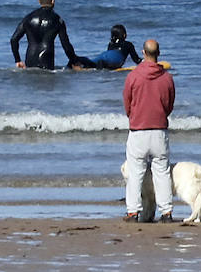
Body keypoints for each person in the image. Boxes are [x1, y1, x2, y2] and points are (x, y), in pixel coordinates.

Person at [122, 39, 176, 223]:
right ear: (158, 53)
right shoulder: (167, 78)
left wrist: (134, 116)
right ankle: (166, 212)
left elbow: (127, 103)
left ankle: (133, 212)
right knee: (162, 172)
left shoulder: (133, 76)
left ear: (143, 53)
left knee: (135, 173)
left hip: (138, 130)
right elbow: (169, 105)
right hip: (159, 130)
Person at [10, 0, 80, 70]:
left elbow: (14, 39)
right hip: (46, 62)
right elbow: (66, 45)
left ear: (39, 1)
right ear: (53, 1)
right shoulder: (57, 19)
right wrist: (74, 61)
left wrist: (17, 60)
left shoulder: (28, 18)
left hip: (30, 61)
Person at [69, 24, 141, 71]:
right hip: (116, 58)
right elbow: (136, 60)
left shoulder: (111, 44)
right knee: (105, 64)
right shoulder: (128, 44)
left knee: (93, 62)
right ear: (124, 35)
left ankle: (78, 62)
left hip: (104, 55)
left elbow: (109, 55)